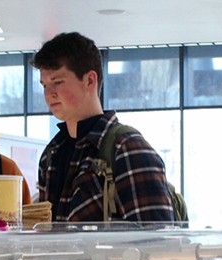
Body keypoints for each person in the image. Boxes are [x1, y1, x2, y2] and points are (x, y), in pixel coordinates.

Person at [31, 32, 174, 223]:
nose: (49, 94)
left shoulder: (127, 148)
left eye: (58, 82)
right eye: (44, 85)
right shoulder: (51, 154)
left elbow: (157, 243)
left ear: (90, 80)